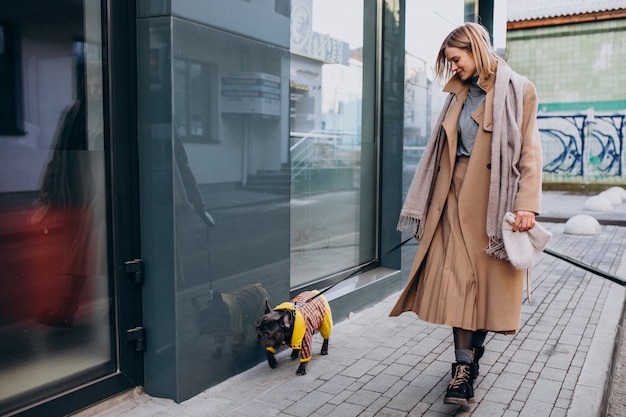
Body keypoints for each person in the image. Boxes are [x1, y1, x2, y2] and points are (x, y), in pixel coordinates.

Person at [389, 22, 543, 406]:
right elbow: (443, 150)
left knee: (486, 290)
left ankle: (472, 356)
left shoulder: (519, 89)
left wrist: (526, 204)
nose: (453, 67)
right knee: (457, 284)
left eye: (456, 59)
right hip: (453, 198)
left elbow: (529, 151)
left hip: (494, 204)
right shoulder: (457, 94)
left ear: (475, 49)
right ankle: (461, 371)